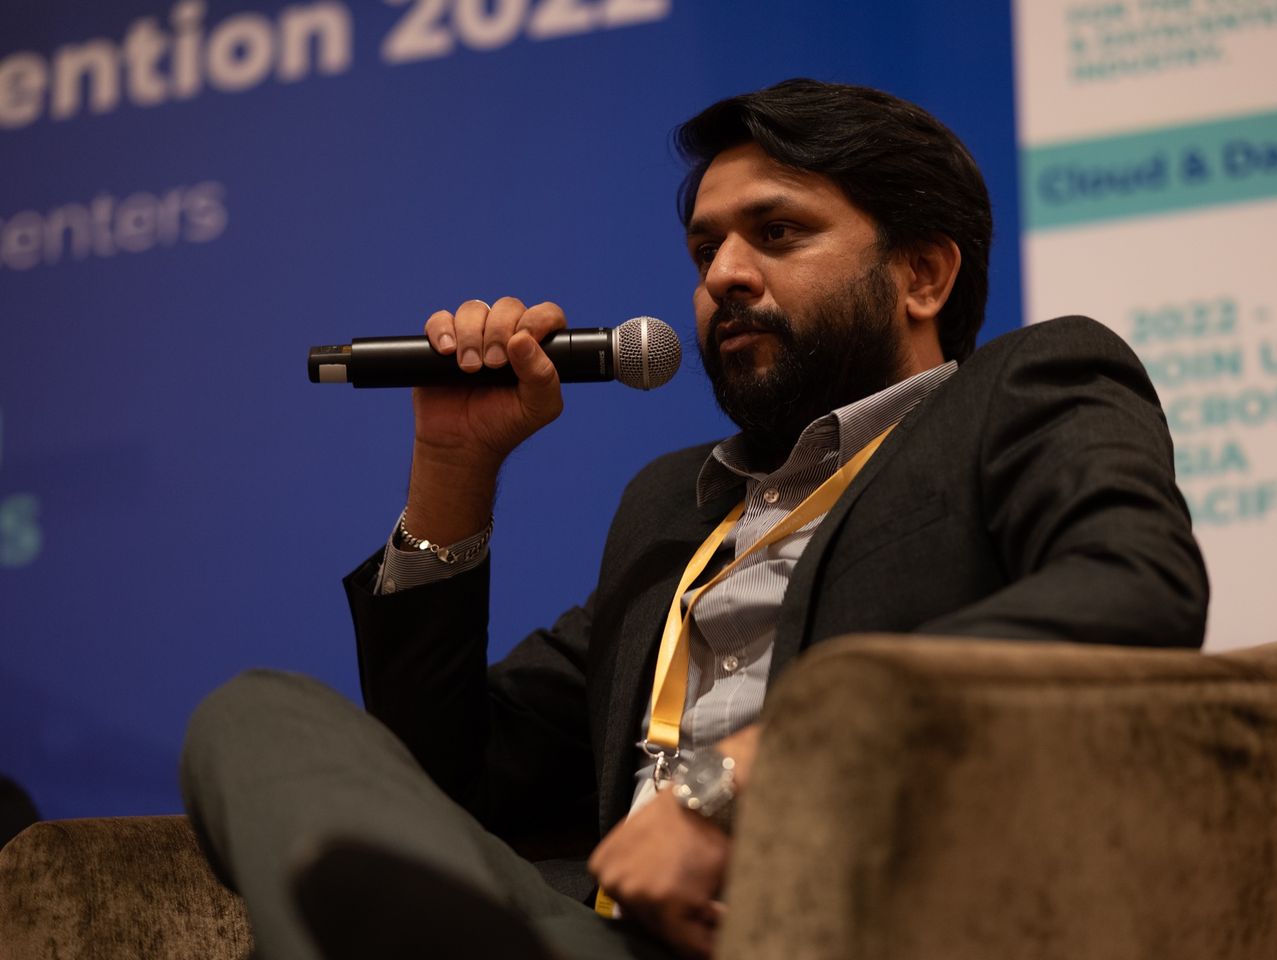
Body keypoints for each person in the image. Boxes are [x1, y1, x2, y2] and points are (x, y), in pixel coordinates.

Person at [181, 78, 1207, 960]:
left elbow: (1133, 589)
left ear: (923, 275)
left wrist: (737, 779)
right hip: (600, 935)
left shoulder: (1019, 393)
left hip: (854, 925)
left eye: (778, 232)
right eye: (705, 247)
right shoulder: (674, 507)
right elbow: (440, 784)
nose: (721, 276)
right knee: (256, 711)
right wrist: (454, 465)